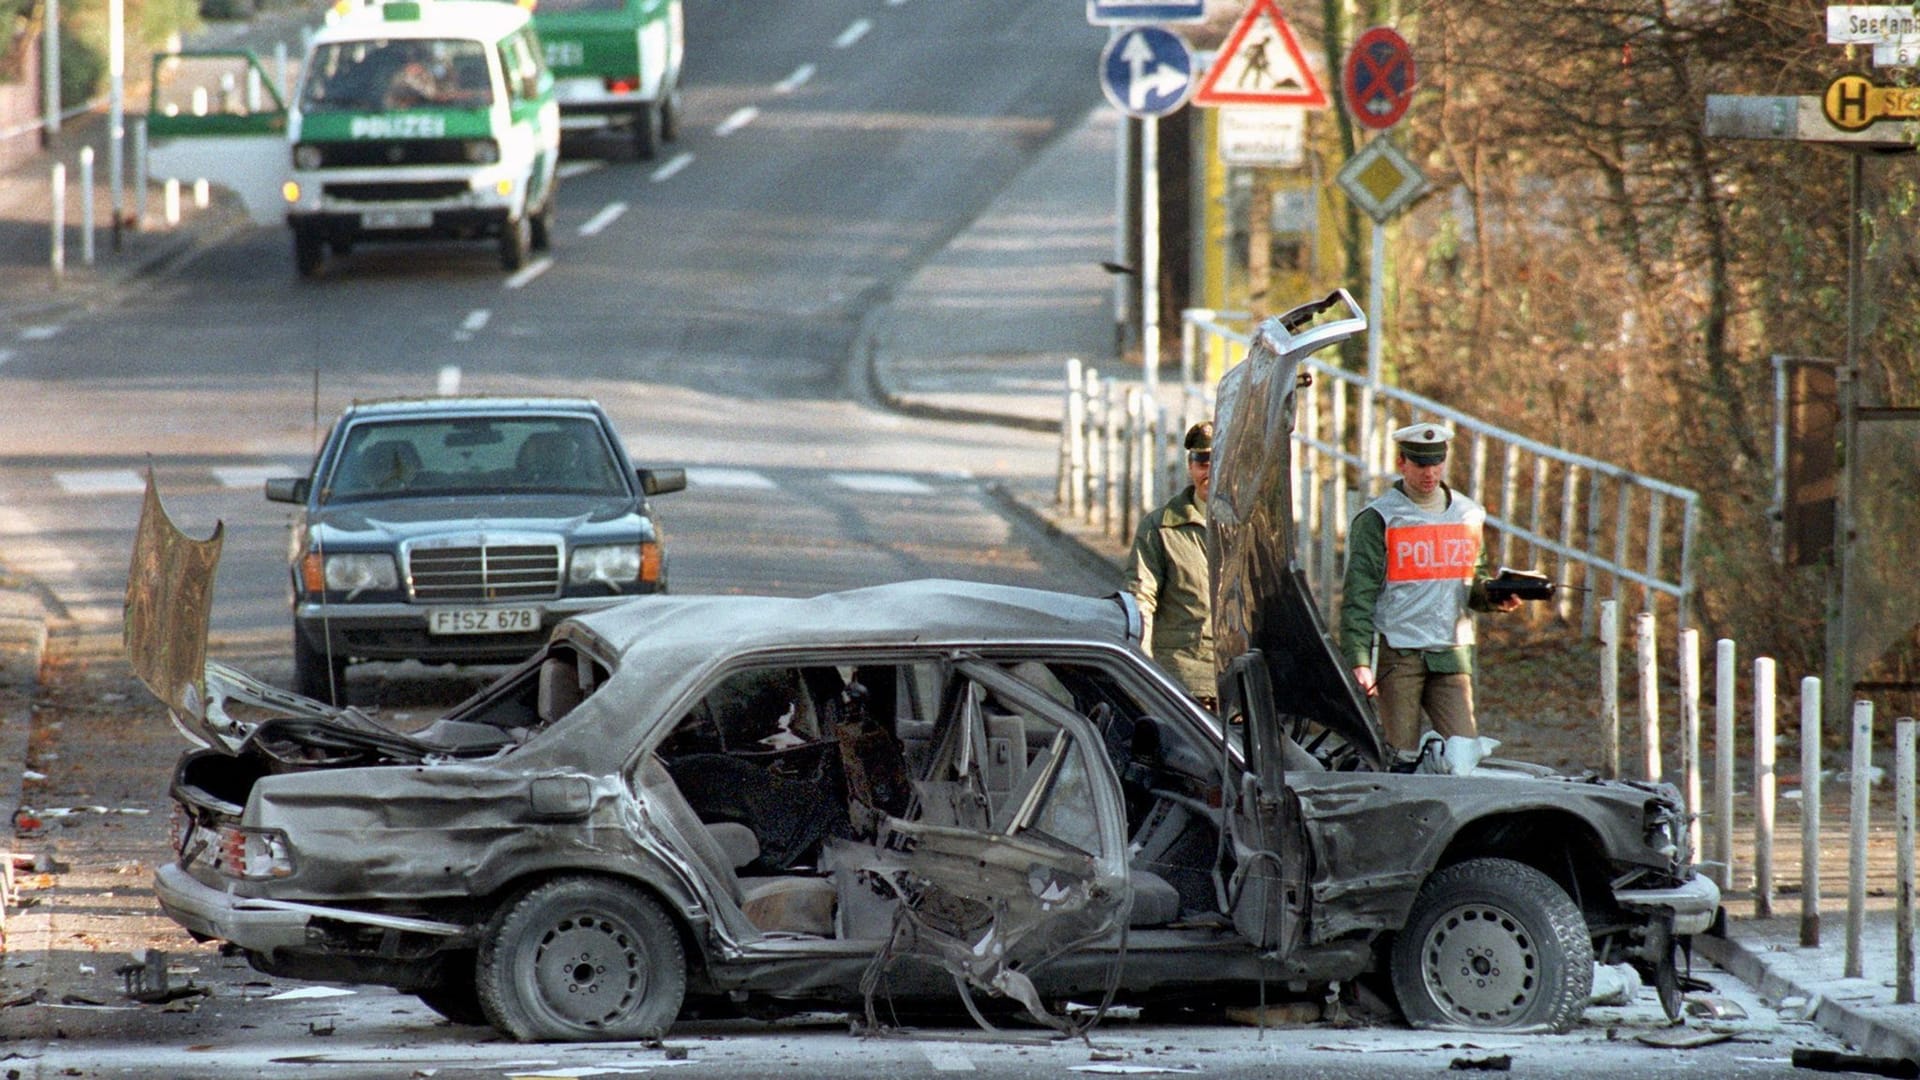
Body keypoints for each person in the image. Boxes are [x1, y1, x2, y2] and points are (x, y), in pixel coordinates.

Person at [1339, 422, 1522, 752]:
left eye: (1437, 463)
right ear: (1402, 463)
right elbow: (1359, 594)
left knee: (1464, 754)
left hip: (1450, 654)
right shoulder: (1379, 518)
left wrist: (1497, 596)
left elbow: (1471, 581)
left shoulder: (1467, 514)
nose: (1430, 472)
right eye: (1421, 464)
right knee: (1401, 757)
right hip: (1399, 653)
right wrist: (1359, 659)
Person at [1126, 422, 1217, 710]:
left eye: (1219, 460)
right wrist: (1145, 676)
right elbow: (1141, 601)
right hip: (1183, 686)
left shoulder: (1252, 527)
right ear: (1191, 467)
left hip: (1242, 688)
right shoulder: (1160, 527)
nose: (1210, 471)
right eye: (1203, 461)